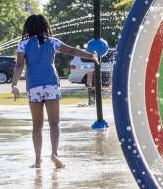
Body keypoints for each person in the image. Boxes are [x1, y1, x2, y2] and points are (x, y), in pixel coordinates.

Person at [11, 14, 99, 168]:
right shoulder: (52, 42)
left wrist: (14, 84)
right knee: (54, 124)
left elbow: (19, 66)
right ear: (45, 27)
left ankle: (38, 160)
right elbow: (72, 51)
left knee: (37, 125)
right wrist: (91, 56)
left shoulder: (23, 45)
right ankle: (54, 153)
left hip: (34, 87)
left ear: (28, 28)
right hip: (51, 85)